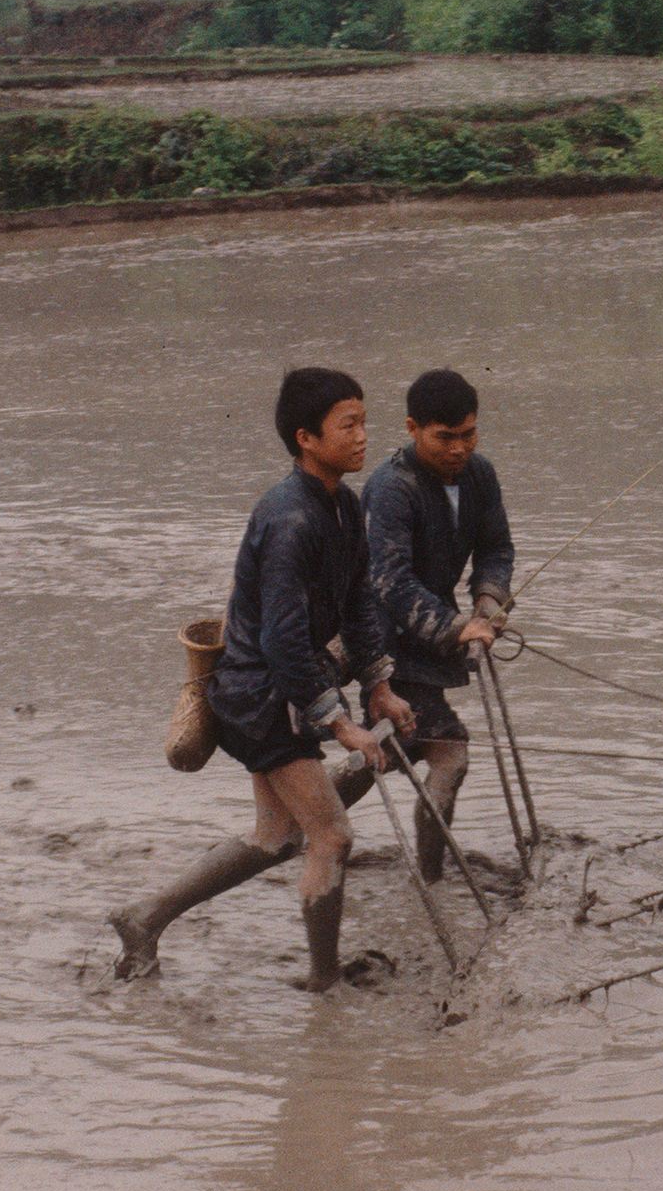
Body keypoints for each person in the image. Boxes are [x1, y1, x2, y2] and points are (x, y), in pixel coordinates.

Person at [112, 368, 416, 993]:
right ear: (307, 438)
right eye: (348, 425)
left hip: (283, 689)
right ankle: (325, 980)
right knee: (331, 834)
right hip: (259, 696)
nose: (363, 436)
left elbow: (359, 605)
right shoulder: (289, 520)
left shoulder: (343, 506)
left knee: (276, 837)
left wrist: (379, 685)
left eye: (364, 422)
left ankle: (144, 918)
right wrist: (342, 725)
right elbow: (281, 641)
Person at [362, 369, 514, 882]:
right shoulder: (391, 488)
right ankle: (314, 831)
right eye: (444, 437)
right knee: (419, 755)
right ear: (412, 429)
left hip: (426, 643)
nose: (459, 449)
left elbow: (496, 548)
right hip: (379, 643)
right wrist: (456, 627)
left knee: (432, 756)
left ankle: (427, 874)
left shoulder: (479, 474)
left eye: (468, 434)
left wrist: (488, 603)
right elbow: (389, 582)